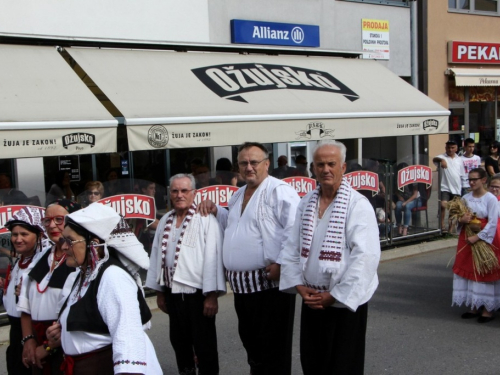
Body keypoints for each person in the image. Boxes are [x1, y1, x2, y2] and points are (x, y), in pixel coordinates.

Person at [198, 142, 300, 375]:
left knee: (272, 350)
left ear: (267, 164)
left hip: (270, 287)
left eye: (254, 162)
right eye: (243, 163)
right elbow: (234, 226)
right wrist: (215, 210)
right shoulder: (238, 194)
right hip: (243, 288)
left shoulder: (279, 190)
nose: (249, 167)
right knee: (253, 348)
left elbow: (296, 229)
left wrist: (282, 264)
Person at [280, 140, 380, 375]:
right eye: (320, 164)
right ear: (313, 168)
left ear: (343, 167)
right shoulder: (306, 202)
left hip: (343, 303)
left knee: (343, 365)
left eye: (331, 164)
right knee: (313, 363)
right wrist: (299, 285)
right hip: (312, 298)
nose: (326, 169)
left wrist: (335, 295)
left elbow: (365, 257)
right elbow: (292, 247)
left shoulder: (358, 205)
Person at [45, 203, 162, 374]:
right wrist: (62, 333)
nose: (63, 246)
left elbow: (127, 337)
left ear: (94, 244)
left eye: (69, 241)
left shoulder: (113, 277)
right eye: (63, 240)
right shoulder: (82, 275)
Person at [146, 174, 225, 375]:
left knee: (204, 346)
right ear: (169, 194)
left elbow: (213, 257)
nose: (179, 195)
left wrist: (212, 295)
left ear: (194, 193)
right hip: (173, 293)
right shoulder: (165, 219)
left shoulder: (205, 218)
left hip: (198, 295)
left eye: (184, 191)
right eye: (175, 191)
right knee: (179, 343)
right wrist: (160, 292)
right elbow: (157, 255)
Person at [18, 199, 81, 374]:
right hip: (38, 337)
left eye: (59, 219)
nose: (52, 225)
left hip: (65, 341)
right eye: (47, 220)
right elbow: (25, 304)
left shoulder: (79, 259)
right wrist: (29, 339)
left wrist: (48, 347)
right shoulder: (40, 257)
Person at [1, 207, 47, 375]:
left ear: (39, 235)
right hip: (15, 332)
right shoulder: (21, 259)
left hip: (32, 331)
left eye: (24, 234)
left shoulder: (44, 262)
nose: (18, 239)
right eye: (14, 234)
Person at [452, 168, 500, 323]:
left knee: (484, 271)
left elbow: (493, 222)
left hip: (483, 238)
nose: (471, 182)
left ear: (483, 180)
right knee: (469, 270)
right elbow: (458, 219)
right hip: (466, 237)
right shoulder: (465, 198)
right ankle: (473, 305)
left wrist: (478, 237)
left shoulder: (490, 199)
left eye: (474, 179)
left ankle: (487, 309)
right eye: (469, 179)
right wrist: (462, 220)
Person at [433, 140, 467, 231]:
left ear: (456, 148)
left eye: (452, 147)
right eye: (448, 147)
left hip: (456, 188)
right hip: (445, 187)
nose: (450, 149)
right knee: (443, 205)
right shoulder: (441, 157)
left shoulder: (459, 159)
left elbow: (462, 174)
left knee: (453, 209)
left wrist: (463, 186)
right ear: (445, 148)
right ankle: (441, 225)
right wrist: (442, 160)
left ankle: (451, 228)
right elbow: (434, 159)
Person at [394, 163, 422, 236]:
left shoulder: (413, 179)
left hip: (415, 200)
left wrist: (406, 202)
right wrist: (399, 196)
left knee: (407, 206)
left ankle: (405, 228)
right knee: (398, 206)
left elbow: (415, 194)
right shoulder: (398, 179)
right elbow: (396, 191)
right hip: (404, 199)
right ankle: (399, 226)